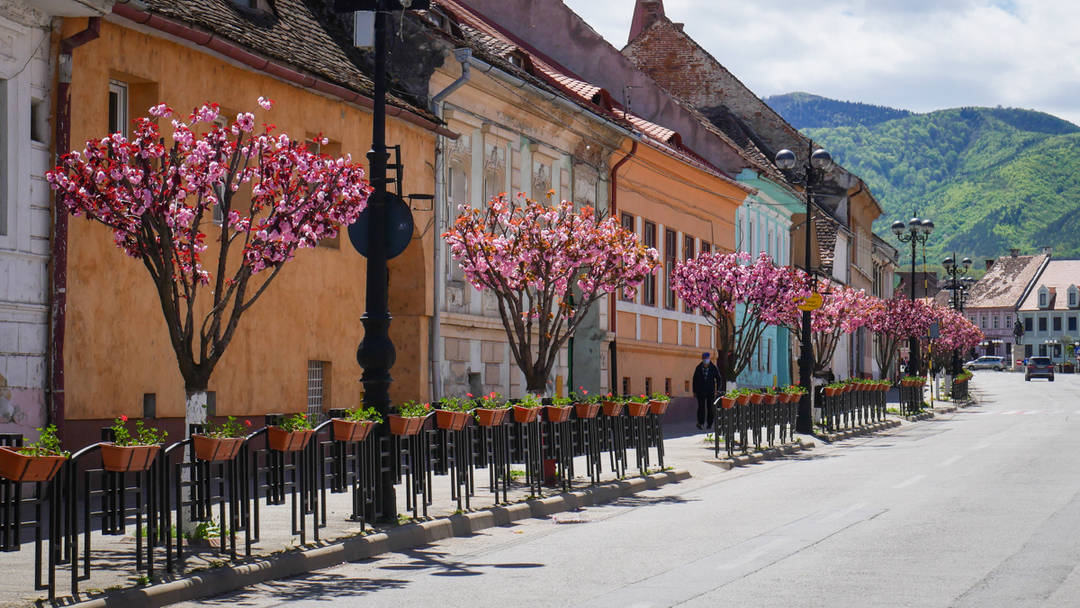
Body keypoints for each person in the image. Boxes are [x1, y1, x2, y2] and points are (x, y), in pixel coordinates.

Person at [692, 352, 721, 430]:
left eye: (707, 358)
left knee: (710, 407)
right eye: (704, 359)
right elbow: (694, 380)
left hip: (710, 391)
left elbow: (718, 378)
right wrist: (694, 391)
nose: (705, 360)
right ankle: (700, 423)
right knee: (701, 407)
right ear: (702, 359)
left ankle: (709, 423)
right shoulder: (698, 368)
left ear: (709, 359)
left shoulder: (713, 368)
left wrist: (717, 389)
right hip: (700, 391)